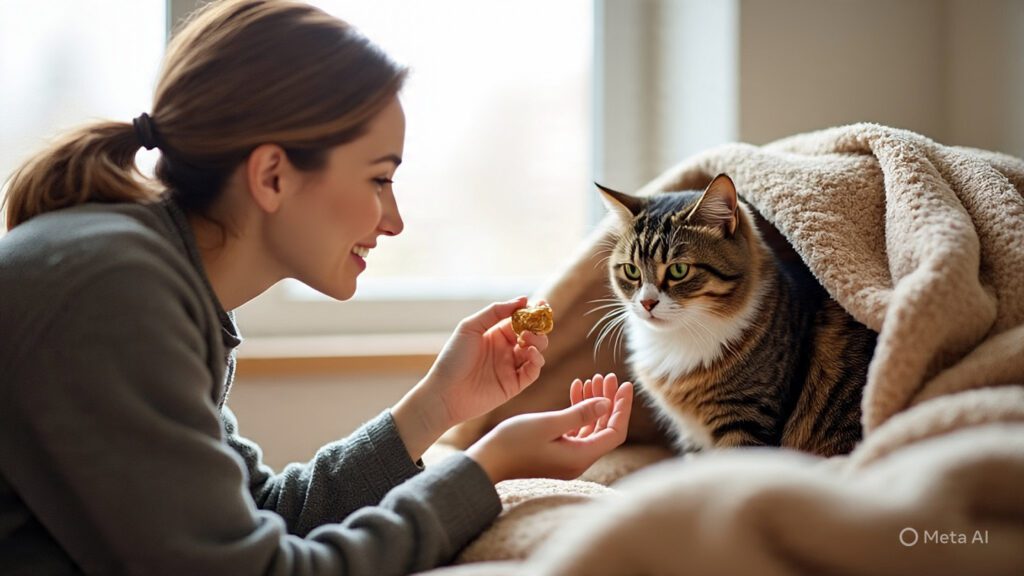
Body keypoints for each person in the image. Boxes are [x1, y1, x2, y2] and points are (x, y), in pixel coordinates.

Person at [0, 1, 634, 575]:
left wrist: (435, 408)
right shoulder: (116, 296)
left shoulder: (150, 278)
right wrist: (485, 468)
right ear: (273, 175)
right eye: (379, 180)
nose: (395, 220)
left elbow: (263, 515)